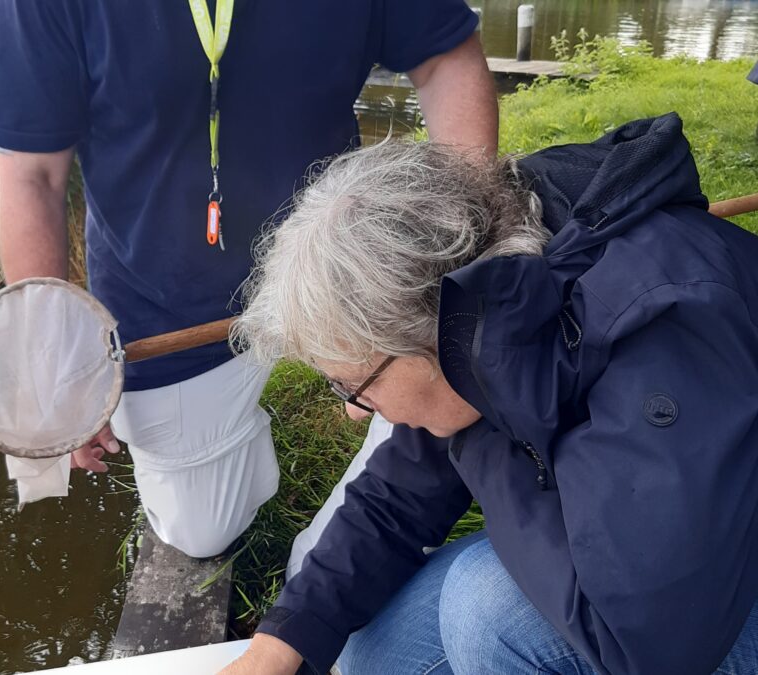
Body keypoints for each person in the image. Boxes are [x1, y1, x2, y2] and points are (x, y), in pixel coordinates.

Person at [223, 113, 758, 674]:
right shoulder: (482, 289)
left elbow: (643, 646)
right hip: (667, 570)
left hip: (693, 613)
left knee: (487, 610)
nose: (353, 409)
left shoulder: (661, 324)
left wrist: (482, 402)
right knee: (372, 648)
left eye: (355, 383)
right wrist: (275, 647)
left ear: (424, 338)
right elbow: (397, 499)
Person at [0, 1, 497, 558]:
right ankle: (247, 433)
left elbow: (446, 58)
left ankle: (358, 507)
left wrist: (466, 251)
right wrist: (55, 351)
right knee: (201, 533)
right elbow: (32, 173)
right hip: (160, 299)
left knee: (441, 394)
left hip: (339, 266)